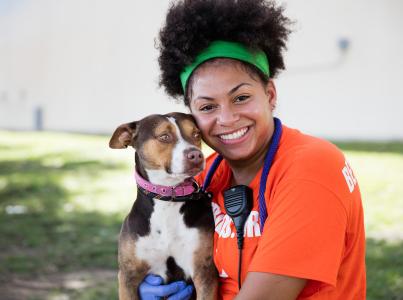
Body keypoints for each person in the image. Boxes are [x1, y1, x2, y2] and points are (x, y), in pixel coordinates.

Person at [139, 0, 366, 299]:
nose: (227, 119)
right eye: (207, 106)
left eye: (241, 97)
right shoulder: (205, 177)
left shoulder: (312, 169)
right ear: (191, 114)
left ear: (270, 94)